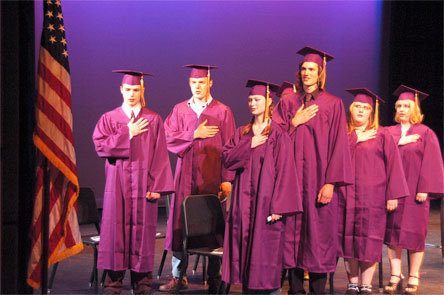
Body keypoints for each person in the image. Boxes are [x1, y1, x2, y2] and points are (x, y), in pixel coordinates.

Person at [274, 46, 353, 294]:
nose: (307, 73)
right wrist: (294, 123)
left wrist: (331, 182)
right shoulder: (287, 103)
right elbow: (272, 138)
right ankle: (295, 290)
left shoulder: (333, 104)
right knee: (291, 237)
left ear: (320, 73)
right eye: (304, 69)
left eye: (312, 69)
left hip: (319, 181)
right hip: (291, 181)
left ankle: (318, 291)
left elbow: (339, 145)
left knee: (318, 237)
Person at [93, 70, 174, 294]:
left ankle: (143, 284)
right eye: (127, 90)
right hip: (117, 187)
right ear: (120, 90)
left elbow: (160, 155)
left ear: (142, 90)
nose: (131, 94)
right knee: (114, 233)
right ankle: (114, 284)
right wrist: (127, 132)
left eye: (135, 90)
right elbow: (101, 146)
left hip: (143, 189)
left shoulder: (153, 119)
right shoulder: (109, 118)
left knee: (142, 235)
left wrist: (157, 187)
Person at [221, 80, 302, 294]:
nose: (252, 103)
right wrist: (249, 144)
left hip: (267, 205)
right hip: (243, 205)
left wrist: (279, 207)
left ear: (268, 101)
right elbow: (228, 159)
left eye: (257, 99)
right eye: (250, 100)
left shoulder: (278, 135)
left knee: (266, 253)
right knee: (245, 253)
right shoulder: (242, 133)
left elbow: (285, 172)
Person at [161, 64, 236, 293]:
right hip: (184, 178)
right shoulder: (179, 110)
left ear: (210, 83)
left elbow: (230, 149)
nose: (197, 86)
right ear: (189, 84)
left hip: (211, 178)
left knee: (212, 225)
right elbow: (167, 137)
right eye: (194, 82)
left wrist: (227, 179)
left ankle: (214, 277)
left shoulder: (222, 111)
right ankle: (178, 275)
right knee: (179, 224)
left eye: (201, 82)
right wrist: (193, 135)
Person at [337, 88, 409, 294]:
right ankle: (352, 281)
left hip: (373, 197)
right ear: (351, 110)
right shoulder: (344, 133)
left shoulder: (382, 134)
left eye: (365, 108)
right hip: (346, 194)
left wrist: (393, 194)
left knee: (370, 239)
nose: (360, 110)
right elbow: (335, 159)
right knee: (348, 237)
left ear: (371, 112)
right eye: (357, 107)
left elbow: (394, 165)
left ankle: (366, 283)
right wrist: (355, 140)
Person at [384, 85, 444, 295]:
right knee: (392, 234)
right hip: (392, 193)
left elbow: (432, 162)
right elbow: (379, 155)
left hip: (415, 193)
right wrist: (400, 141)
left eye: (406, 106)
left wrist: (425, 188)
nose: (401, 109)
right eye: (399, 105)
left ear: (414, 109)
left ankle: (414, 275)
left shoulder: (425, 133)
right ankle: (395, 273)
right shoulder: (388, 132)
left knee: (415, 235)